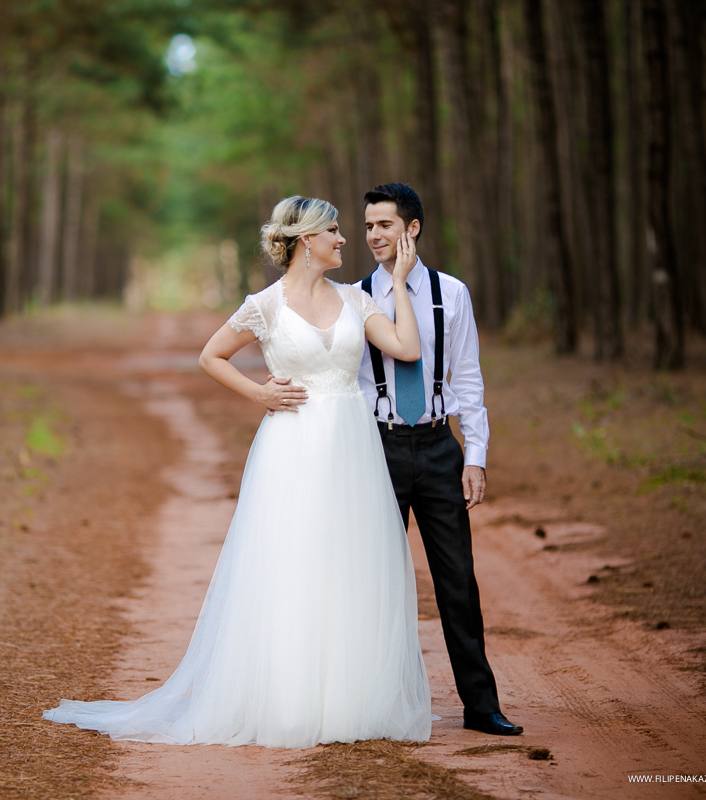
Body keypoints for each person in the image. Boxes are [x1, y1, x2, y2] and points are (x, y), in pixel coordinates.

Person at [43, 196, 433, 748]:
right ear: (306, 241)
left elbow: (407, 347)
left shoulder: (356, 298)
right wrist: (259, 392)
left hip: (352, 446)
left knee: (349, 562)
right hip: (291, 445)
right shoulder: (265, 305)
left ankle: (349, 700)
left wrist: (399, 279)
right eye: (335, 231)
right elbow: (210, 355)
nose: (345, 239)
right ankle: (291, 702)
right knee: (292, 563)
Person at [355, 182, 522, 736]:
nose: (374, 235)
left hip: (436, 445)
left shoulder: (452, 293)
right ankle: (373, 705)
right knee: (375, 581)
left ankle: (481, 706)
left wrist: (474, 455)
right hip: (376, 448)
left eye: (384, 224)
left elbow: (468, 378)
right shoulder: (354, 297)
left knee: (458, 581)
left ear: (412, 228)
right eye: (369, 225)